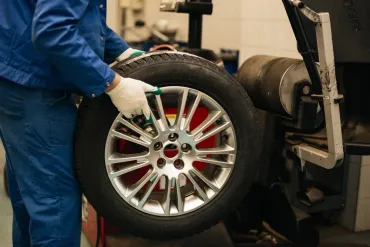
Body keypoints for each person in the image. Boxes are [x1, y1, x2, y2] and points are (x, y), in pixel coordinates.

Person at [0, 0, 157, 246]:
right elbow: (53, 31)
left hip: (15, 71)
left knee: (32, 201)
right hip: (34, 85)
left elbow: (78, 17)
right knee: (55, 206)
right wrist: (114, 84)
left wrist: (121, 51)